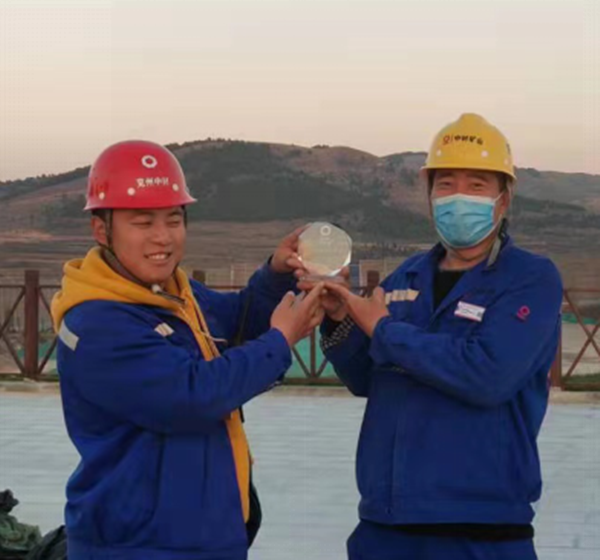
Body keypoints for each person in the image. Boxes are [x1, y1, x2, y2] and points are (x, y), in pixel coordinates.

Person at [50, 140, 324, 560]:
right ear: (101, 230)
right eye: (143, 222)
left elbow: (234, 322)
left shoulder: (173, 292)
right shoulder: (97, 323)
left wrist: (274, 275)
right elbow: (192, 396)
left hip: (198, 537)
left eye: (174, 219)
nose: (162, 237)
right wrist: (280, 341)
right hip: (141, 546)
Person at [313, 114, 563, 560]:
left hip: (479, 531)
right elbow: (365, 378)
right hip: (385, 526)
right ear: (429, 196)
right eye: (445, 184)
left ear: (504, 199)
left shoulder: (530, 279)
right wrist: (340, 321)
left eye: (476, 185)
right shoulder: (407, 275)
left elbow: (488, 375)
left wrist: (384, 329)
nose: (458, 197)